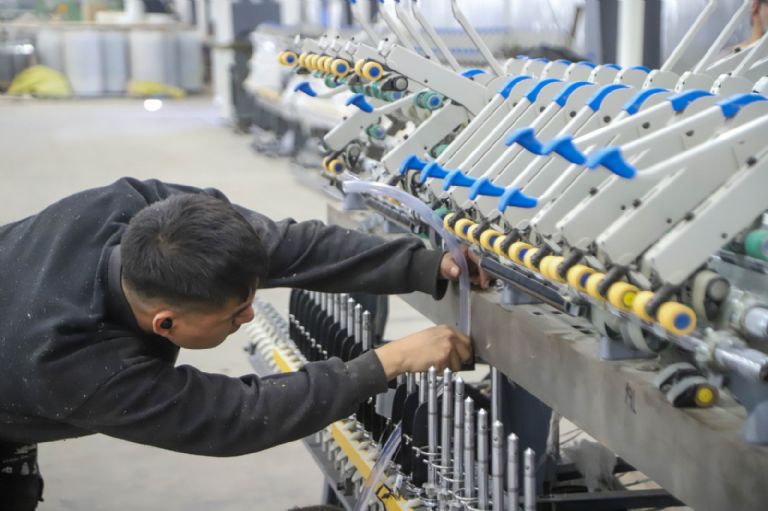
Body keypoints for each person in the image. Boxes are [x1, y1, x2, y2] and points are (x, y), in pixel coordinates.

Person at [0, 178, 486, 510]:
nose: (249, 315)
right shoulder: (64, 360)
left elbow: (281, 246)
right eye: (235, 314)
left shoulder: (148, 213)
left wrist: (421, 264)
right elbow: (229, 415)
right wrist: (384, 363)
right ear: (165, 323)